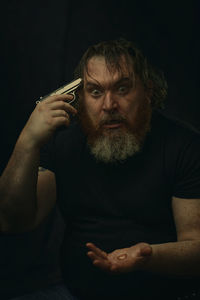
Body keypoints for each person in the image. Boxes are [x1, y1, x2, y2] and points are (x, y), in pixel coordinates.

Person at [0, 38, 200, 300]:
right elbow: (13, 221)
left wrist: (147, 256)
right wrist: (27, 142)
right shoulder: (61, 142)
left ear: (148, 91)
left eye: (122, 88)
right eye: (95, 91)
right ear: (81, 98)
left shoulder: (184, 146)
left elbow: (196, 248)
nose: (108, 105)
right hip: (75, 292)